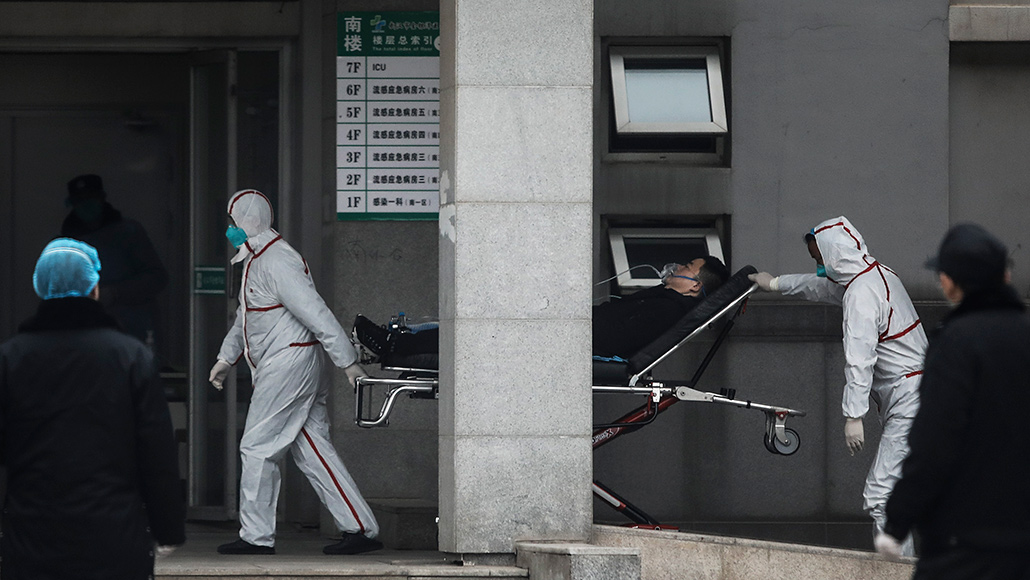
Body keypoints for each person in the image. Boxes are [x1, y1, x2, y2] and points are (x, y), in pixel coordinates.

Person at [208, 189, 381, 556]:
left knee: (256, 446)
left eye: (231, 222)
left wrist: (348, 362)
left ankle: (255, 537)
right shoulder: (257, 259)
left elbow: (315, 312)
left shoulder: (277, 261)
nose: (228, 230)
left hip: (289, 364)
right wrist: (226, 358)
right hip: (291, 363)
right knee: (312, 448)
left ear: (245, 222)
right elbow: (246, 318)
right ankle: (360, 527)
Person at [0, 238, 185, 579]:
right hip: (114, 538)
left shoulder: (12, 359)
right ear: (94, 287)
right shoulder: (130, 357)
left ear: (41, 287)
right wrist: (168, 528)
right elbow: (157, 454)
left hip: (31, 539)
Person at [749, 216, 926, 556]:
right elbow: (821, 287)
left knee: (882, 495)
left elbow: (860, 357)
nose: (818, 266)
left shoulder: (860, 295)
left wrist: (853, 415)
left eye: (819, 259)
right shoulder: (875, 275)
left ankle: (898, 573)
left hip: (910, 399)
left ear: (833, 255)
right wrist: (776, 284)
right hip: (921, 393)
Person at [875, 223, 1030, 578]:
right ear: (1004, 276)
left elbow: (934, 440)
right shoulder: (1025, 337)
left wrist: (897, 520)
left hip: (963, 543)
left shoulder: (956, 343)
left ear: (950, 281)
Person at [60, 174, 168, 346]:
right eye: (80, 201)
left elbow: (157, 278)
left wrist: (115, 293)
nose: (86, 205)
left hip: (132, 331)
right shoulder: (65, 244)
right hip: (84, 334)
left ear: (102, 199)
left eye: (91, 198)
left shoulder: (129, 233)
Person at [593, 256, 731, 358]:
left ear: (695, 285)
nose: (678, 267)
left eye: (687, 267)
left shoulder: (668, 310)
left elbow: (614, 339)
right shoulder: (662, 298)